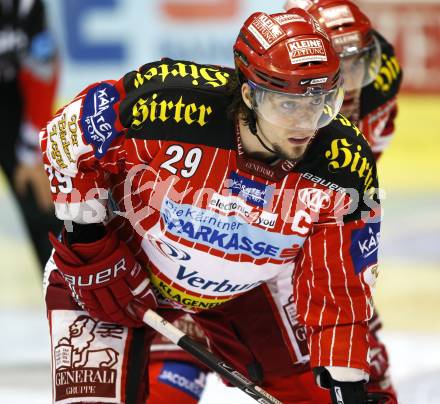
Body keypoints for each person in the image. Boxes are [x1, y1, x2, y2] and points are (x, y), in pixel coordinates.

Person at [42, 8, 382, 404]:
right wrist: (90, 244)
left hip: (244, 294)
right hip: (117, 274)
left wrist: (348, 386)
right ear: (250, 95)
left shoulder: (344, 163)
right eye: (287, 105)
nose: (306, 123)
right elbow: (66, 134)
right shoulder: (167, 107)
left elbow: (337, 286)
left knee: (322, 397)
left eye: (322, 101)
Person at [148, 1, 402, 403]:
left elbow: (341, 210)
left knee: (350, 364)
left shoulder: (380, 86)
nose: (350, 89)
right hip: (201, 235)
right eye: (339, 68)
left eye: (356, 68)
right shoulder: (236, 106)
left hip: (284, 243)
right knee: (170, 371)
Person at [0, 0, 61, 270]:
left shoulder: (26, 5)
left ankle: (68, 299)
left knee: (42, 199)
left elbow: (44, 66)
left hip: (11, 100)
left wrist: (31, 150)